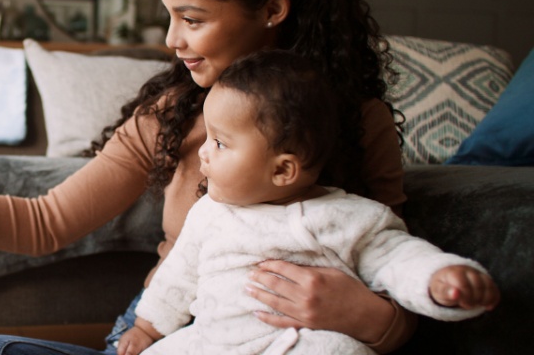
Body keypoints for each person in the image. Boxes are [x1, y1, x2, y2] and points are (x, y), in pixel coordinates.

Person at [0, 0, 419, 353]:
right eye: (170, 16)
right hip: (164, 333)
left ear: (272, 9)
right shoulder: (173, 112)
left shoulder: (353, 122)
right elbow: (46, 222)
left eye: (192, 18)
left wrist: (371, 317)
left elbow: (401, 269)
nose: (171, 39)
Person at [114, 50, 500, 355]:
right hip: (214, 342)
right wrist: (148, 327)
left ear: (283, 170)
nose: (204, 154)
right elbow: (178, 277)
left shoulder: (350, 218)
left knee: (338, 349)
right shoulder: (210, 214)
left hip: (298, 344)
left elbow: (400, 260)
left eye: (219, 142)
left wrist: (439, 279)